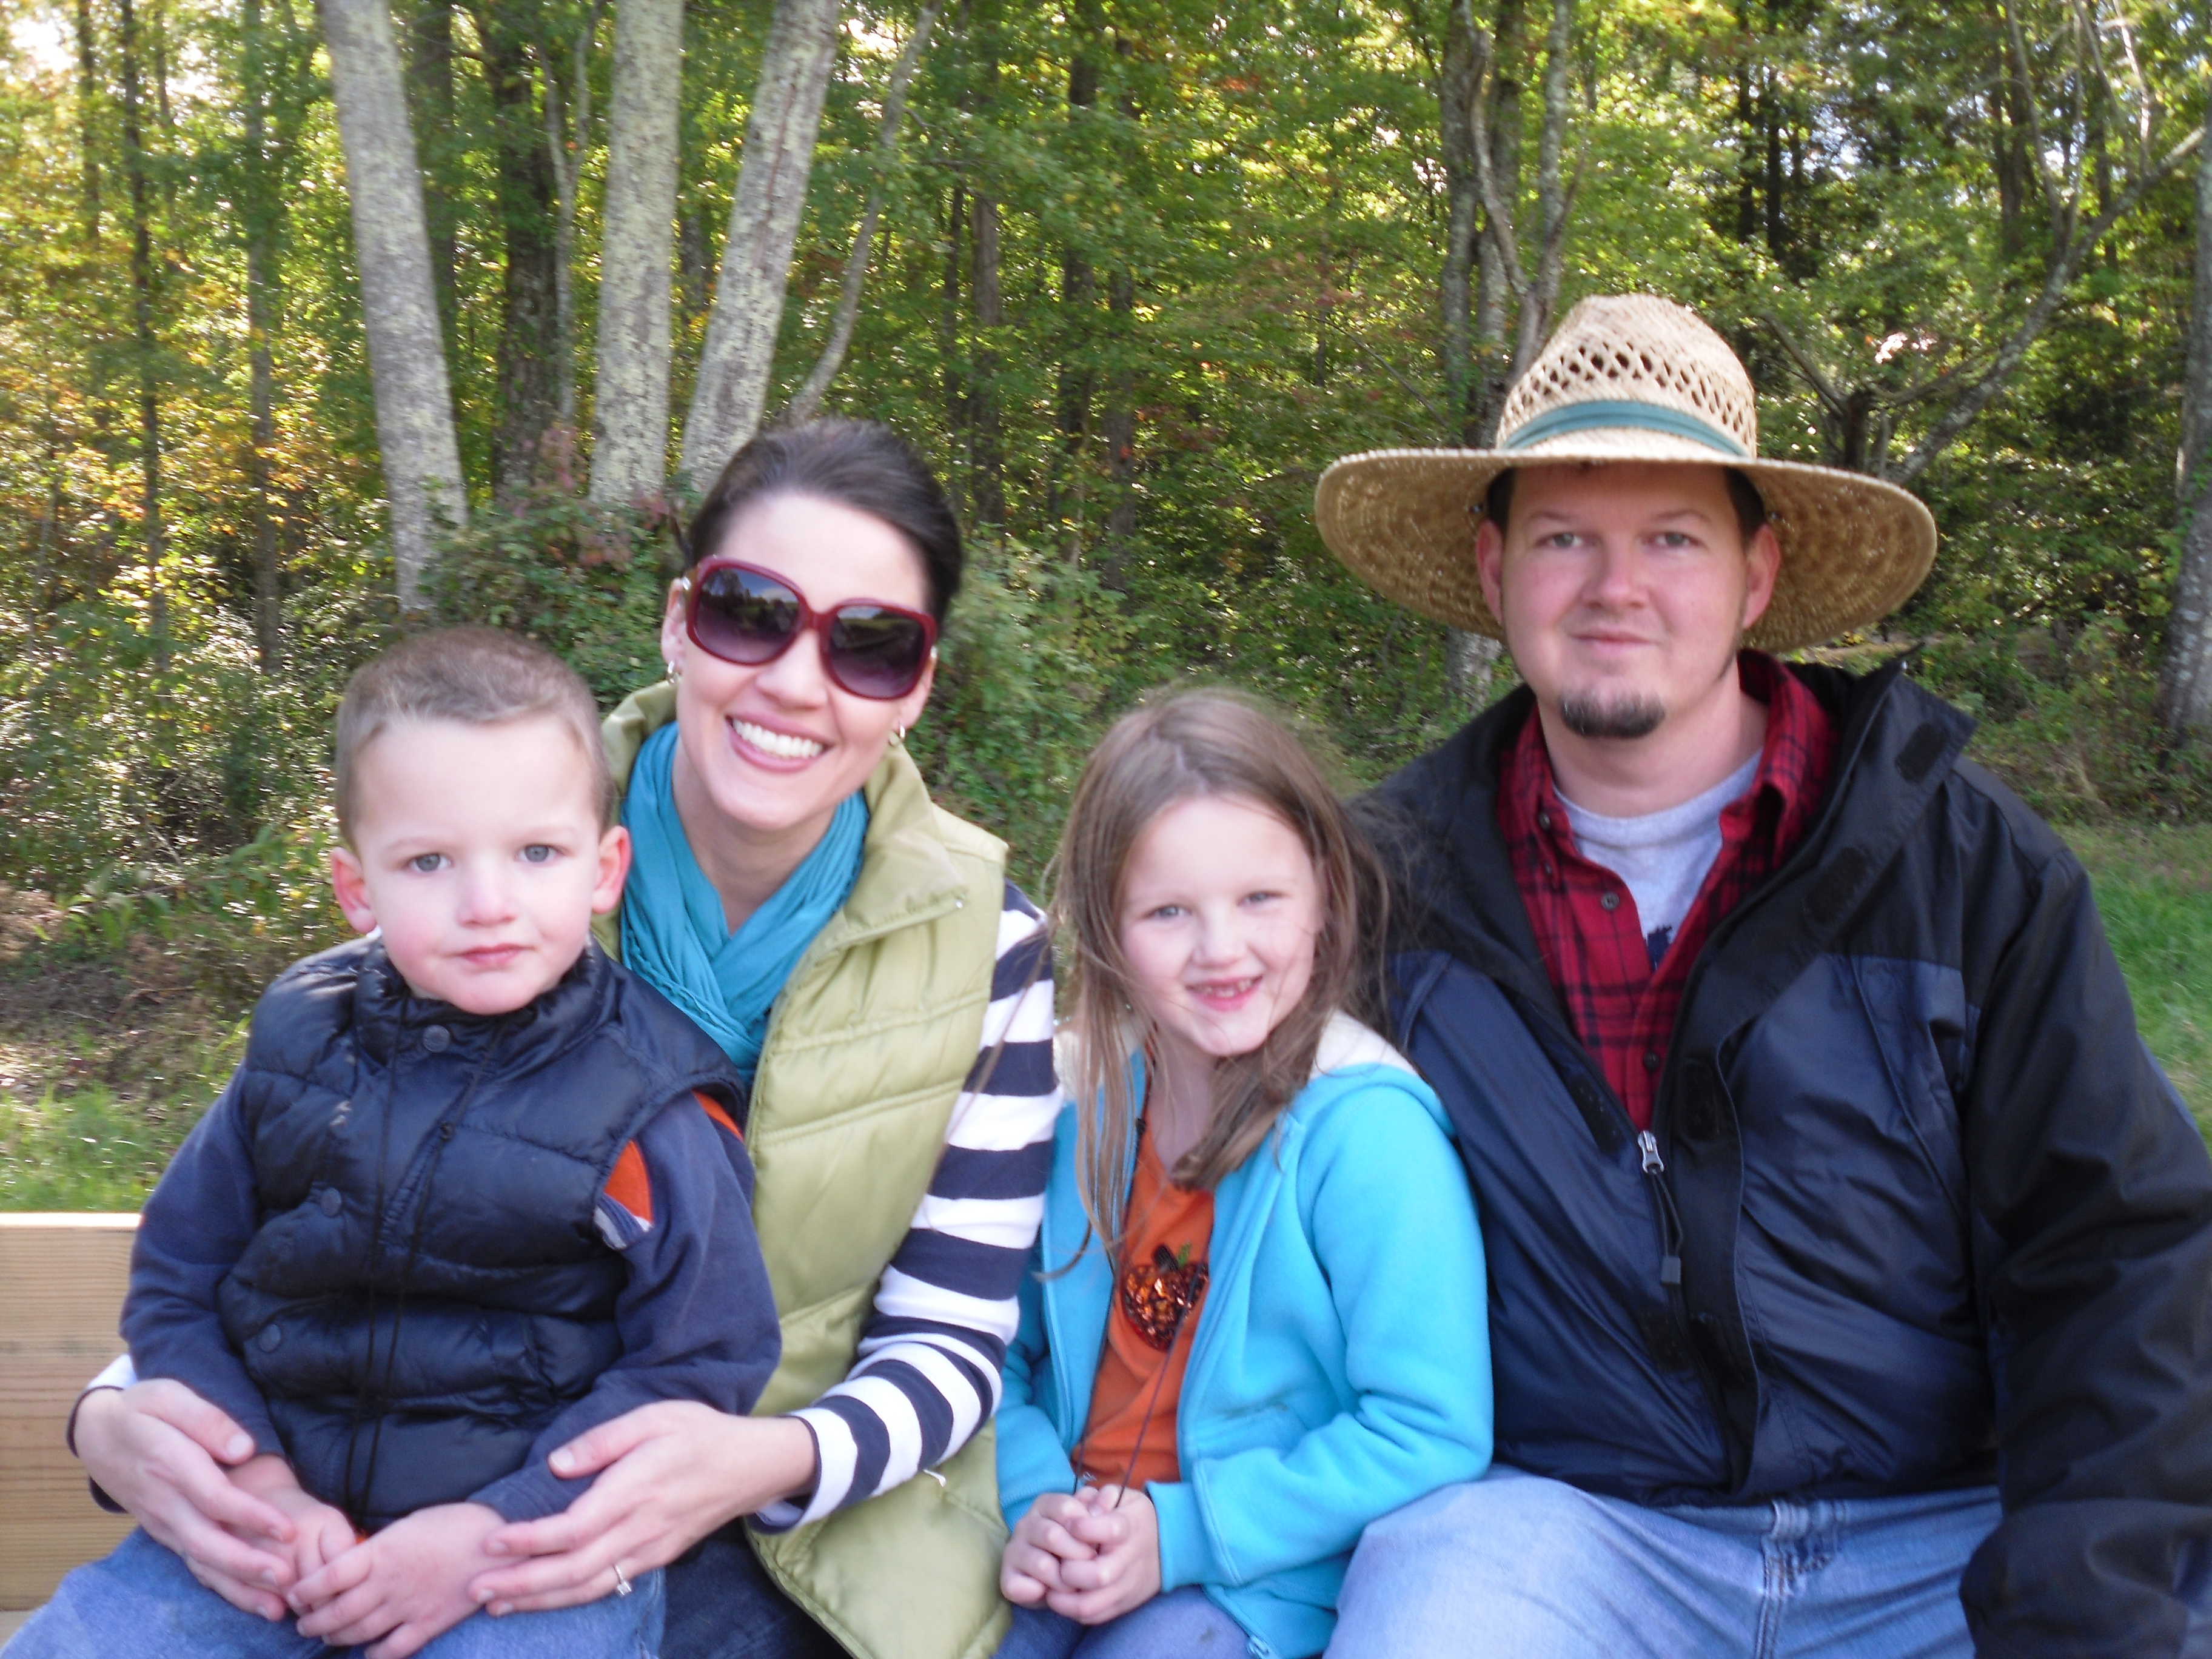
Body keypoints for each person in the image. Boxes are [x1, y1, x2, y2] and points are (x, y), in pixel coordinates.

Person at [62, 421, 1061, 1659]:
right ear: (681, 620)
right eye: (752, 613)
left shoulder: (988, 944)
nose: (799, 683)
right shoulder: (493, 827)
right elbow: (322, 1193)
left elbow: (952, 1339)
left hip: (789, 1527)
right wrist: (124, 1410)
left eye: (869, 643)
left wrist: (768, 1459)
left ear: (917, 684)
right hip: (403, 1484)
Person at [1309, 293, 2212, 1657]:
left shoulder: (1965, 868)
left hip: (1948, 1527)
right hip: (1576, 1534)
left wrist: (2079, 1597)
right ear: (1495, 573)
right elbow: (1252, 1223)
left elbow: (2116, 1250)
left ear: (1757, 576)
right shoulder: (1379, 892)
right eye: (1564, 538)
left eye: (1673, 538)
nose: (1616, 588)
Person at [8, 628, 783, 1659]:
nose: (488, 904)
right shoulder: (297, 1050)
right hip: (275, 1534)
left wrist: (497, 1526)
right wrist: (256, 1479)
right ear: (357, 889)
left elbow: (702, 1360)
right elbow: (180, 1275)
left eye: (537, 853)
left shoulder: (650, 1104)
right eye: (429, 862)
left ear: (604, 870)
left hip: (524, 1560)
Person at [993, 690, 1493, 1659]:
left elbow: (1430, 1426)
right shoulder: (1079, 1109)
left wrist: (1179, 1536)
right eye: (1169, 912)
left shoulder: (1367, 1137)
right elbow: (997, 1353)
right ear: (1107, 929)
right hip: (1064, 1543)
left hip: (1247, 1584)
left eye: (1260, 899)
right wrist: (1035, 1502)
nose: (1222, 950)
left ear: (1324, 896)